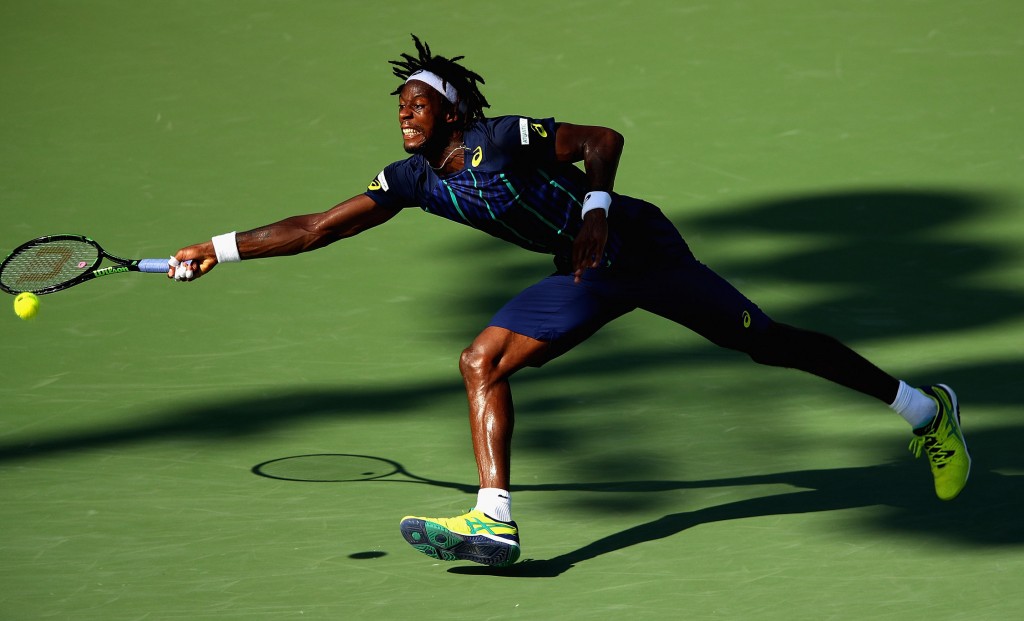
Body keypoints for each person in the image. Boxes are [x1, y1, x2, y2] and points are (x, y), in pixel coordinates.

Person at [167, 35, 970, 568]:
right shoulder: (411, 180)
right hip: (583, 275)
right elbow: (316, 227)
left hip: (640, 249)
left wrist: (593, 212)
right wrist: (220, 246)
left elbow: (602, 142)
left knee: (768, 340)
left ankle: (924, 410)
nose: (403, 113)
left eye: (416, 101)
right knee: (481, 357)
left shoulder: (502, 136)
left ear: (451, 106)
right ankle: (494, 517)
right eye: (399, 106)